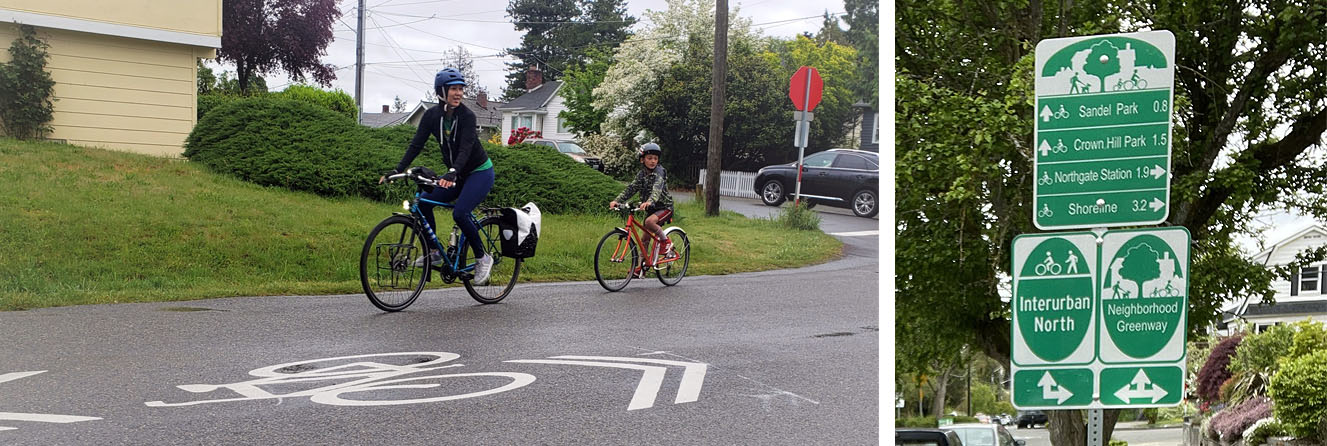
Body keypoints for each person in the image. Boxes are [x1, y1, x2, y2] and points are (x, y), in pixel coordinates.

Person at [379, 67, 495, 285]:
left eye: (461, 89)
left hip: (479, 172)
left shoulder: (467, 116)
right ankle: (434, 251)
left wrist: (452, 172)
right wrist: (398, 169)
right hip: (456, 174)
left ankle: (482, 257)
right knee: (423, 202)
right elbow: (416, 144)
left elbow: (466, 148)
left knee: (460, 213)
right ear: (441, 91)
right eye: (454, 89)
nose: (459, 93)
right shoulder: (432, 116)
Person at [609, 143, 675, 274]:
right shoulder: (641, 174)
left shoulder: (660, 172)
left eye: (655, 159)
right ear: (642, 159)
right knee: (644, 239)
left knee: (649, 222)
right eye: (649, 158)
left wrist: (649, 201)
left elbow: (657, 189)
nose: (652, 161)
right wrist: (617, 200)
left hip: (664, 207)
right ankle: (641, 268)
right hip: (651, 209)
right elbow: (631, 189)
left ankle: (666, 242)